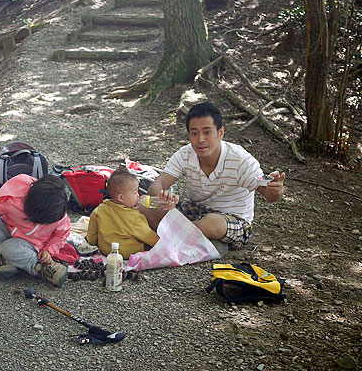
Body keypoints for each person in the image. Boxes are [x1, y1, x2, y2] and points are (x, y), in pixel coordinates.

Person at [142, 101, 285, 252]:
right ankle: (184, 238)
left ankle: (164, 239)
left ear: (220, 133)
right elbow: (157, 185)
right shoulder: (185, 154)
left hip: (232, 220)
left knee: (211, 224)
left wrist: (275, 190)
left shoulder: (241, 159)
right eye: (194, 133)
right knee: (141, 206)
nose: (200, 139)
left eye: (207, 132)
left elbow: (266, 190)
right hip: (196, 211)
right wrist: (162, 197)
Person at [0, 174, 72, 287]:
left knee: (8, 247)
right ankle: (8, 260)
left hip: (32, 245)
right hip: (11, 232)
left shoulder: (57, 213)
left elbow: (61, 234)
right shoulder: (14, 199)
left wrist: (49, 250)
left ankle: (40, 267)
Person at [87, 167, 171, 259]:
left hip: (105, 249)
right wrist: (164, 245)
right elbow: (150, 237)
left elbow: (92, 233)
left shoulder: (100, 209)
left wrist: (92, 243)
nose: (138, 195)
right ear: (121, 198)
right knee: (146, 245)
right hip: (125, 252)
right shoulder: (132, 217)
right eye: (135, 192)